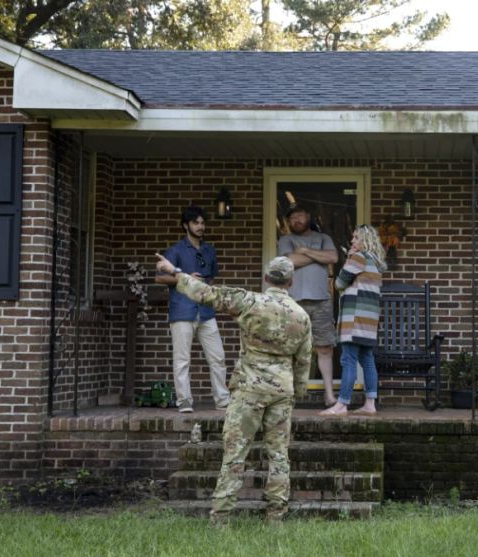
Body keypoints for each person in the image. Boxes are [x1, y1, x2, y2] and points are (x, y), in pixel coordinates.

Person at [155, 253, 311, 524]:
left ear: (266, 278)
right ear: (291, 282)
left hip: (249, 388)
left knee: (235, 453)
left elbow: (206, 293)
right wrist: (298, 391)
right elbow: (304, 360)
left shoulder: (249, 301)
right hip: (282, 391)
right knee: (278, 454)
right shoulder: (302, 316)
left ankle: (221, 516)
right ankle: (276, 515)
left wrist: (175, 271)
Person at [155, 206, 230, 412]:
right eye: (196, 223)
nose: (200, 226)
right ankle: (184, 401)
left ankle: (222, 400)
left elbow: (211, 278)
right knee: (182, 360)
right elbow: (160, 277)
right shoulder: (175, 250)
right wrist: (186, 278)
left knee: (218, 357)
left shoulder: (209, 250)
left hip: (206, 311)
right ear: (185, 225)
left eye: (202, 223)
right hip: (182, 310)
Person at [320, 225, 386, 417]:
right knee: (367, 359)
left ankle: (341, 405)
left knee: (348, 359)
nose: (352, 241)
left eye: (356, 238)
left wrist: (349, 258)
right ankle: (370, 404)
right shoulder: (376, 262)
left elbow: (339, 283)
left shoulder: (358, 258)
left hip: (355, 318)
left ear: (365, 240)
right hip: (369, 320)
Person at [277, 204, 339, 406]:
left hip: (322, 301)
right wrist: (317, 256)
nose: (296, 220)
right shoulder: (285, 240)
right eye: (292, 217)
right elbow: (290, 261)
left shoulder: (323, 238)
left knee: (324, 348)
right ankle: (290, 396)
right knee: (291, 349)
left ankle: (329, 394)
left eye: (300, 215)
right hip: (293, 302)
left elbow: (333, 257)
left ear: (308, 216)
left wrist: (304, 251)